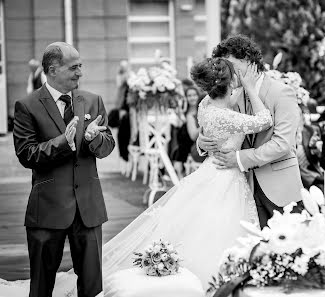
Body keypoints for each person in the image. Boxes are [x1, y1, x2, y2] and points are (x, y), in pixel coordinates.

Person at [100, 58, 271, 294]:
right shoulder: (225, 115)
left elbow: (212, 121)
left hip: (212, 170)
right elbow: (265, 120)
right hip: (225, 177)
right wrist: (251, 88)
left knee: (202, 228)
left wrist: (202, 140)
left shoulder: (205, 105)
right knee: (218, 231)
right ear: (229, 81)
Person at [1, 42, 115, 297]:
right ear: (53, 70)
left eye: (81, 66)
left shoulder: (93, 101)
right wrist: (64, 142)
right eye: (74, 67)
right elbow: (27, 154)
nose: (80, 73)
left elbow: (107, 147)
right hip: (48, 209)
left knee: (92, 288)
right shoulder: (27, 106)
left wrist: (93, 139)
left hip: (89, 208)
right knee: (41, 286)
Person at [197, 35, 304, 229]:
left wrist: (239, 158)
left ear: (247, 60)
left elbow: (283, 143)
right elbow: (214, 125)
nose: (227, 73)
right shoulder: (229, 95)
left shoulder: (282, 92)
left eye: (231, 66)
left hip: (279, 188)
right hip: (241, 191)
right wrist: (202, 143)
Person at [171, 86, 203, 178]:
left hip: (192, 144)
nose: (192, 98)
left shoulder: (202, 110)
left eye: (194, 95)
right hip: (185, 144)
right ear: (186, 97)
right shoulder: (184, 112)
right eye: (189, 95)